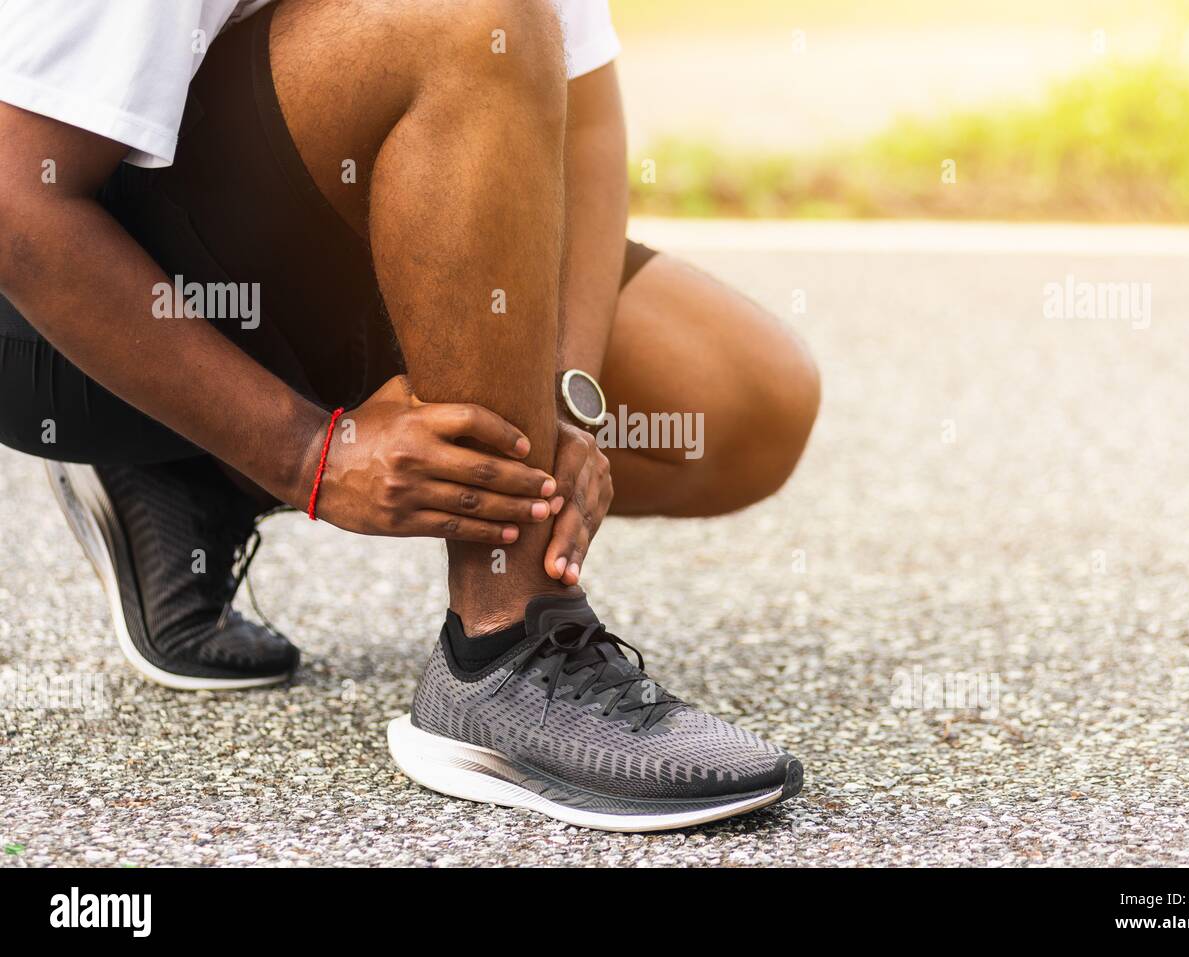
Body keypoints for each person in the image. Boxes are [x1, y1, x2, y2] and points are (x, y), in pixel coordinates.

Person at [0, 0, 819, 830]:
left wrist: (563, 396)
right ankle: (505, 642)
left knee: (745, 397)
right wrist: (304, 453)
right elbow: (15, 191)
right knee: (468, 17)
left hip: (298, 226)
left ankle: (201, 473)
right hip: (57, 313)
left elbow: (589, 122)